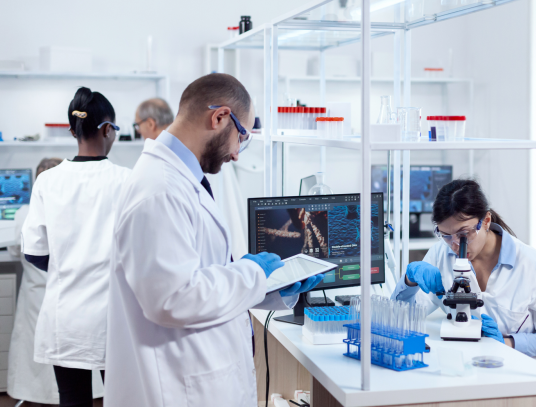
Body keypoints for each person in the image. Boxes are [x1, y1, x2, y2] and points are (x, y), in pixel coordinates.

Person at [104, 73, 323, 407]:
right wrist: (251, 274)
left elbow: (202, 277)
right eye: (242, 137)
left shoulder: (181, 180)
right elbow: (173, 298)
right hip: (179, 387)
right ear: (219, 117)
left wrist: (269, 287)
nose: (237, 154)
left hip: (200, 373)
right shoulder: (158, 189)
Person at [391, 179, 536, 407]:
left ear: (486, 221)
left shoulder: (535, 265)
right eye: (445, 235)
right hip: (480, 374)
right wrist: (409, 280)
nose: (455, 244)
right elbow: (398, 317)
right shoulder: (440, 254)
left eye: (464, 234)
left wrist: (507, 342)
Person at [22, 87, 131, 407]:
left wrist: (68, 265)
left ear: (72, 130)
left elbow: (34, 253)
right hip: (113, 319)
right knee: (123, 399)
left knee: (72, 399)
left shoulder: (47, 180)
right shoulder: (126, 180)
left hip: (65, 318)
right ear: (108, 129)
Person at [7, 158, 104, 404]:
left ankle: (35, 397)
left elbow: (19, 250)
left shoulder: (24, 212)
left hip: (44, 297)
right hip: (71, 300)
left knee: (47, 363)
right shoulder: (74, 207)